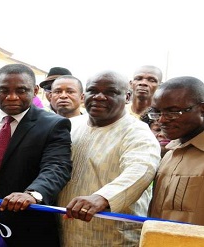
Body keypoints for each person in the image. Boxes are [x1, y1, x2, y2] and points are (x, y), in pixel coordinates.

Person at [0, 64, 72, 246]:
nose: (12, 97)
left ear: (35, 90)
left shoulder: (54, 125)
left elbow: (57, 167)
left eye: (21, 90)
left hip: (26, 226)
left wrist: (32, 194)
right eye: (4, 90)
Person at [58, 70, 160, 246]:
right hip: (65, 233)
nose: (99, 97)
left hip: (113, 237)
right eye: (93, 91)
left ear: (127, 96)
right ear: (83, 96)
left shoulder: (137, 132)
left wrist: (102, 197)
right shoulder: (70, 126)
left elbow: (141, 170)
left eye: (110, 92)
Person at [148, 76, 204, 225]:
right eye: (157, 112)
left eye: (173, 112)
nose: (162, 120)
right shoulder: (168, 154)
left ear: (202, 110)